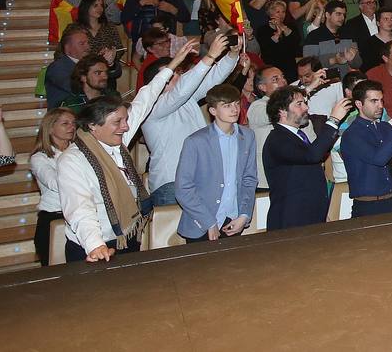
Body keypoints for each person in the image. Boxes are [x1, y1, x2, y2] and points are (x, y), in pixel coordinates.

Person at [57, 44, 186, 263]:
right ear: (92, 126)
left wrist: (172, 65)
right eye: (118, 122)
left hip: (128, 237)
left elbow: (146, 98)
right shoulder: (72, 160)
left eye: (126, 120)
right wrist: (95, 245)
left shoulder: (116, 140)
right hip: (94, 246)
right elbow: (79, 208)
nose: (126, 127)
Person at [142, 33, 239, 206]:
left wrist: (232, 55)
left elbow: (213, 79)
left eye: (178, 73)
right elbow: (181, 90)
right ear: (157, 83)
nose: (178, 77)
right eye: (171, 76)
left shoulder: (187, 99)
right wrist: (210, 56)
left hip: (202, 179)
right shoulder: (151, 107)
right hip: (171, 183)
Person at [174, 83, 257, 242]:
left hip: (233, 220)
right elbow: (183, 188)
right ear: (213, 111)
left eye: (236, 104)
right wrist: (208, 222)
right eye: (226, 105)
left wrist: (244, 215)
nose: (234, 109)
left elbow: (249, 178)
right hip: (201, 223)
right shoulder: (195, 141)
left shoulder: (248, 136)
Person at [262, 85, 352, 230]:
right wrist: (334, 120)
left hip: (309, 216)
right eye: (299, 104)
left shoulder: (296, 135)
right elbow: (313, 155)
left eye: (305, 103)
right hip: (290, 221)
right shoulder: (278, 139)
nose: (306, 108)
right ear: (282, 111)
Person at [339, 80, 392, 218]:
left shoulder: (384, 127)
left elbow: (388, 157)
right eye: (374, 101)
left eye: (381, 100)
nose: (380, 106)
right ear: (359, 104)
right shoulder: (352, 134)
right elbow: (378, 159)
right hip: (368, 206)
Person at [28, 107, 77, 265]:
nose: (72, 127)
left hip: (78, 215)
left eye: (73, 123)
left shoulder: (79, 152)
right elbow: (55, 183)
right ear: (50, 128)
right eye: (65, 123)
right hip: (53, 218)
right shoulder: (40, 158)